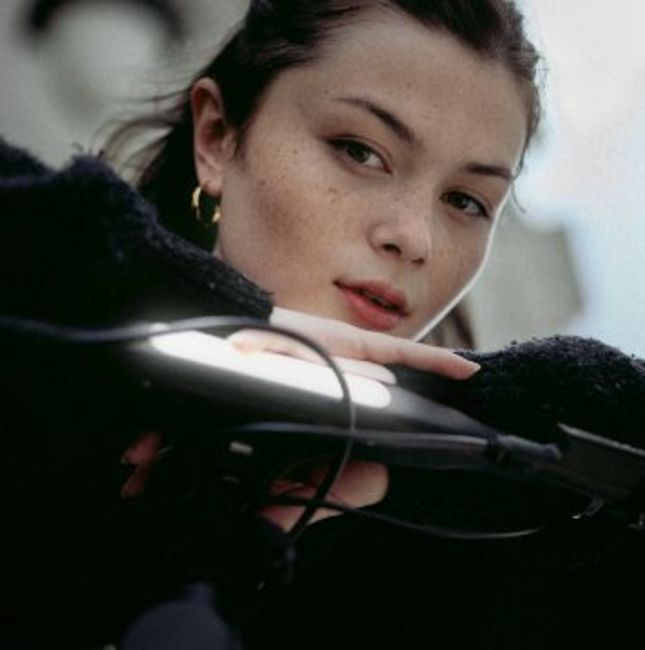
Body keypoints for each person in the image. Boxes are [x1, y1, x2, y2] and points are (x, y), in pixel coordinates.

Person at [1, 0, 583, 647]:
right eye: (359, 151)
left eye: (466, 201)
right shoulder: (43, 363)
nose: (415, 237)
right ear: (217, 137)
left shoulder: (471, 560)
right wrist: (165, 301)